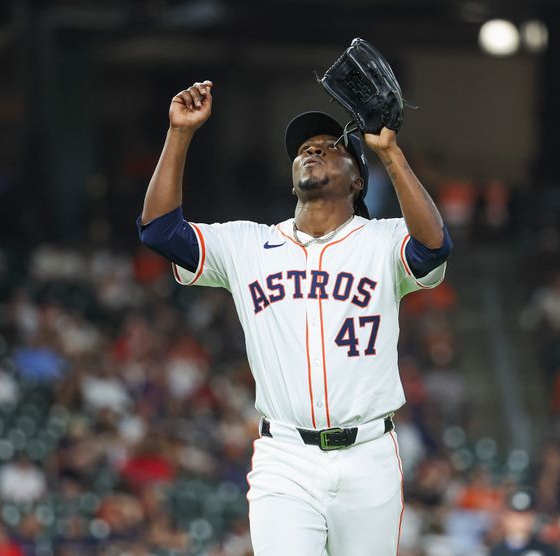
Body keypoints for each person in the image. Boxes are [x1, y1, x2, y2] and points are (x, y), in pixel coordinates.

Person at [138, 80, 452, 555]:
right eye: (305, 149)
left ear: (356, 180)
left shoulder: (383, 240)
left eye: (329, 148)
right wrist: (179, 133)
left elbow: (433, 248)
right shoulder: (247, 244)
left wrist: (390, 153)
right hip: (285, 455)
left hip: (369, 455)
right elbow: (160, 230)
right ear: (291, 179)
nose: (313, 152)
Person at [489, 489, 560, 556]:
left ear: (533, 517)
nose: (521, 521)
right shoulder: (496, 552)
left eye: (526, 515)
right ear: (505, 517)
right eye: (516, 515)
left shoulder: (547, 550)